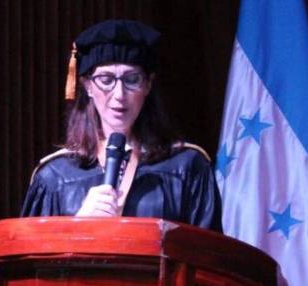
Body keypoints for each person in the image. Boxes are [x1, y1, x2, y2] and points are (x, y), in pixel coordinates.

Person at [21, 19, 222, 231]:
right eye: (106, 79)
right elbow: (29, 258)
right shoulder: (55, 176)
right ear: (87, 86)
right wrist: (76, 226)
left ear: (148, 85)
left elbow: (209, 256)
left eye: (132, 79)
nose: (119, 95)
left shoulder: (187, 167)